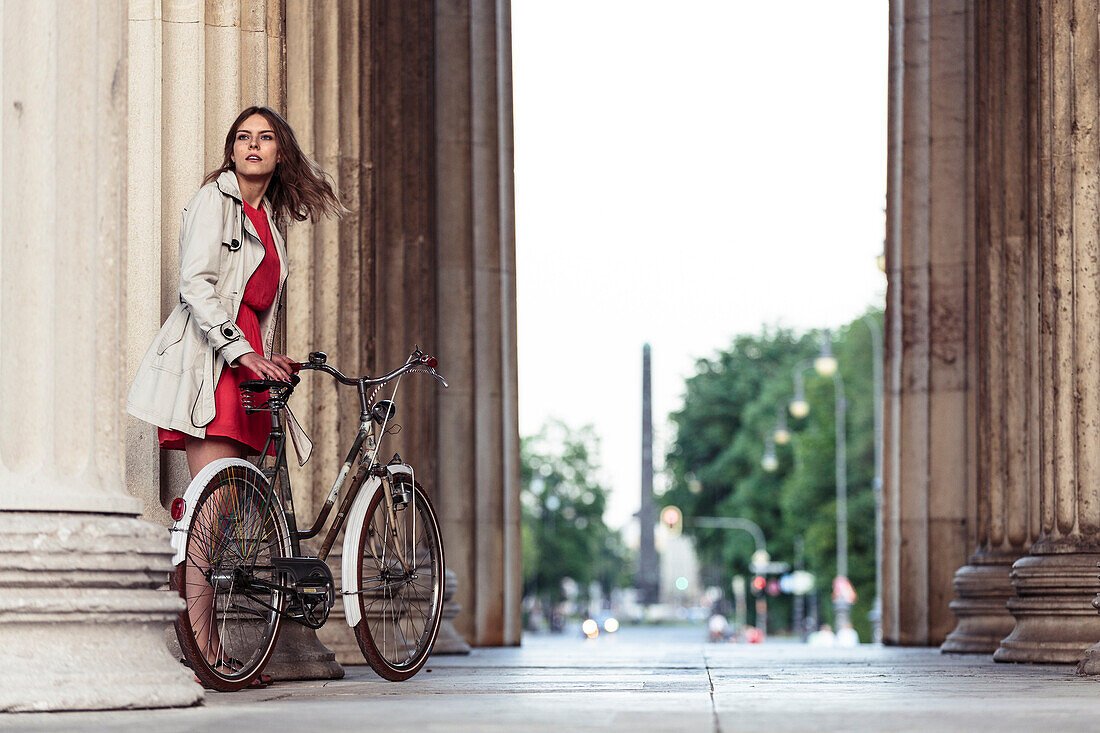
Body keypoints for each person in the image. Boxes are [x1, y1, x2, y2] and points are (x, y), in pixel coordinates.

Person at [126, 106, 344, 686]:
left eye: (265, 137)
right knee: (210, 511)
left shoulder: (268, 219)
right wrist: (240, 351)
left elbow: (254, 303)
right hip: (213, 363)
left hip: (245, 364)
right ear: (231, 151)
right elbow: (194, 285)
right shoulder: (213, 202)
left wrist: (268, 355)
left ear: (280, 152)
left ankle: (215, 645)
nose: (253, 145)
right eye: (243, 137)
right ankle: (203, 649)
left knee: (227, 519)